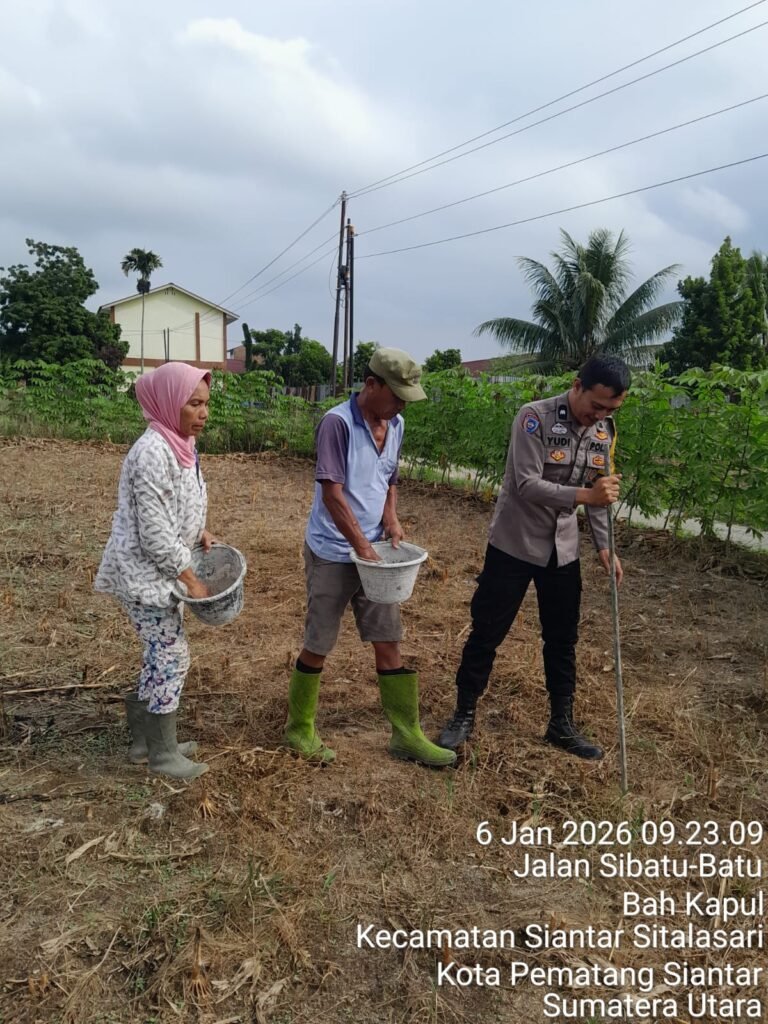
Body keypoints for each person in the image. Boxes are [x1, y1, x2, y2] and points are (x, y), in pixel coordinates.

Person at [437, 353, 630, 760]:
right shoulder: (534, 418)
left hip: (562, 550)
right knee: (487, 630)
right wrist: (584, 496)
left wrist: (604, 547)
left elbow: (601, 494)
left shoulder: (602, 432)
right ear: (577, 386)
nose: (600, 415)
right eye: (596, 405)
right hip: (514, 543)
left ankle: (561, 723)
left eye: (611, 409)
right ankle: (463, 714)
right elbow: (526, 484)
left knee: (562, 638)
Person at [283, 347, 456, 768]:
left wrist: (391, 520)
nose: (398, 406)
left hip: (375, 552)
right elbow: (332, 492)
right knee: (319, 639)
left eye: (404, 399)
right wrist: (360, 546)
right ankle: (299, 728)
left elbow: (389, 478)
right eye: (395, 395)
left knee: (388, 637)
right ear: (371, 384)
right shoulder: (336, 424)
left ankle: (405, 734)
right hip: (333, 551)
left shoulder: (395, 424)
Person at [95, 362, 216, 779]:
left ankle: (146, 742)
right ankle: (162, 753)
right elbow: (155, 534)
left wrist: (200, 530)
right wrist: (192, 578)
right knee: (172, 654)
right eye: (194, 404)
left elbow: (179, 503)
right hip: (143, 574)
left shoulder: (180, 443)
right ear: (167, 403)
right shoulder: (151, 452)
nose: (204, 413)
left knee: (159, 651)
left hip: (161, 573)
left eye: (206, 404)